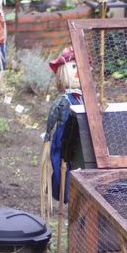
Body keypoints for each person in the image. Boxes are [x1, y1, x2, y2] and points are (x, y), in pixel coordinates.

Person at [40, 48, 83, 219]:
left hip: (82, 139)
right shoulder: (63, 101)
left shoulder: (83, 97)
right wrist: (48, 141)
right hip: (65, 140)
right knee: (63, 169)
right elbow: (51, 125)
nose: (78, 70)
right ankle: (65, 194)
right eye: (73, 67)